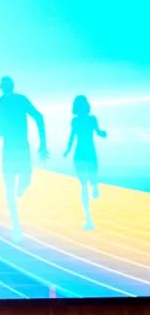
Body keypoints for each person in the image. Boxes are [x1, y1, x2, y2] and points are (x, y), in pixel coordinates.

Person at [0, 76, 48, 242]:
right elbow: (39, 117)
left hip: (10, 150)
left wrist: (3, 124)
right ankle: (16, 227)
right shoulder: (19, 100)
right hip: (21, 148)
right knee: (22, 182)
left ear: (1, 87)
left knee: (11, 190)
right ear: (12, 86)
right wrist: (43, 145)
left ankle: (16, 227)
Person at [63, 95, 107, 231]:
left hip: (80, 153)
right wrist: (103, 133)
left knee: (83, 185)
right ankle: (94, 186)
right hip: (88, 153)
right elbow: (98, 132)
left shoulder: (76, 121)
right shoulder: (91, 119)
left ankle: (88, 218)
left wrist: (67, 151)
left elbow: (72, 137)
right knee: (88, 179)